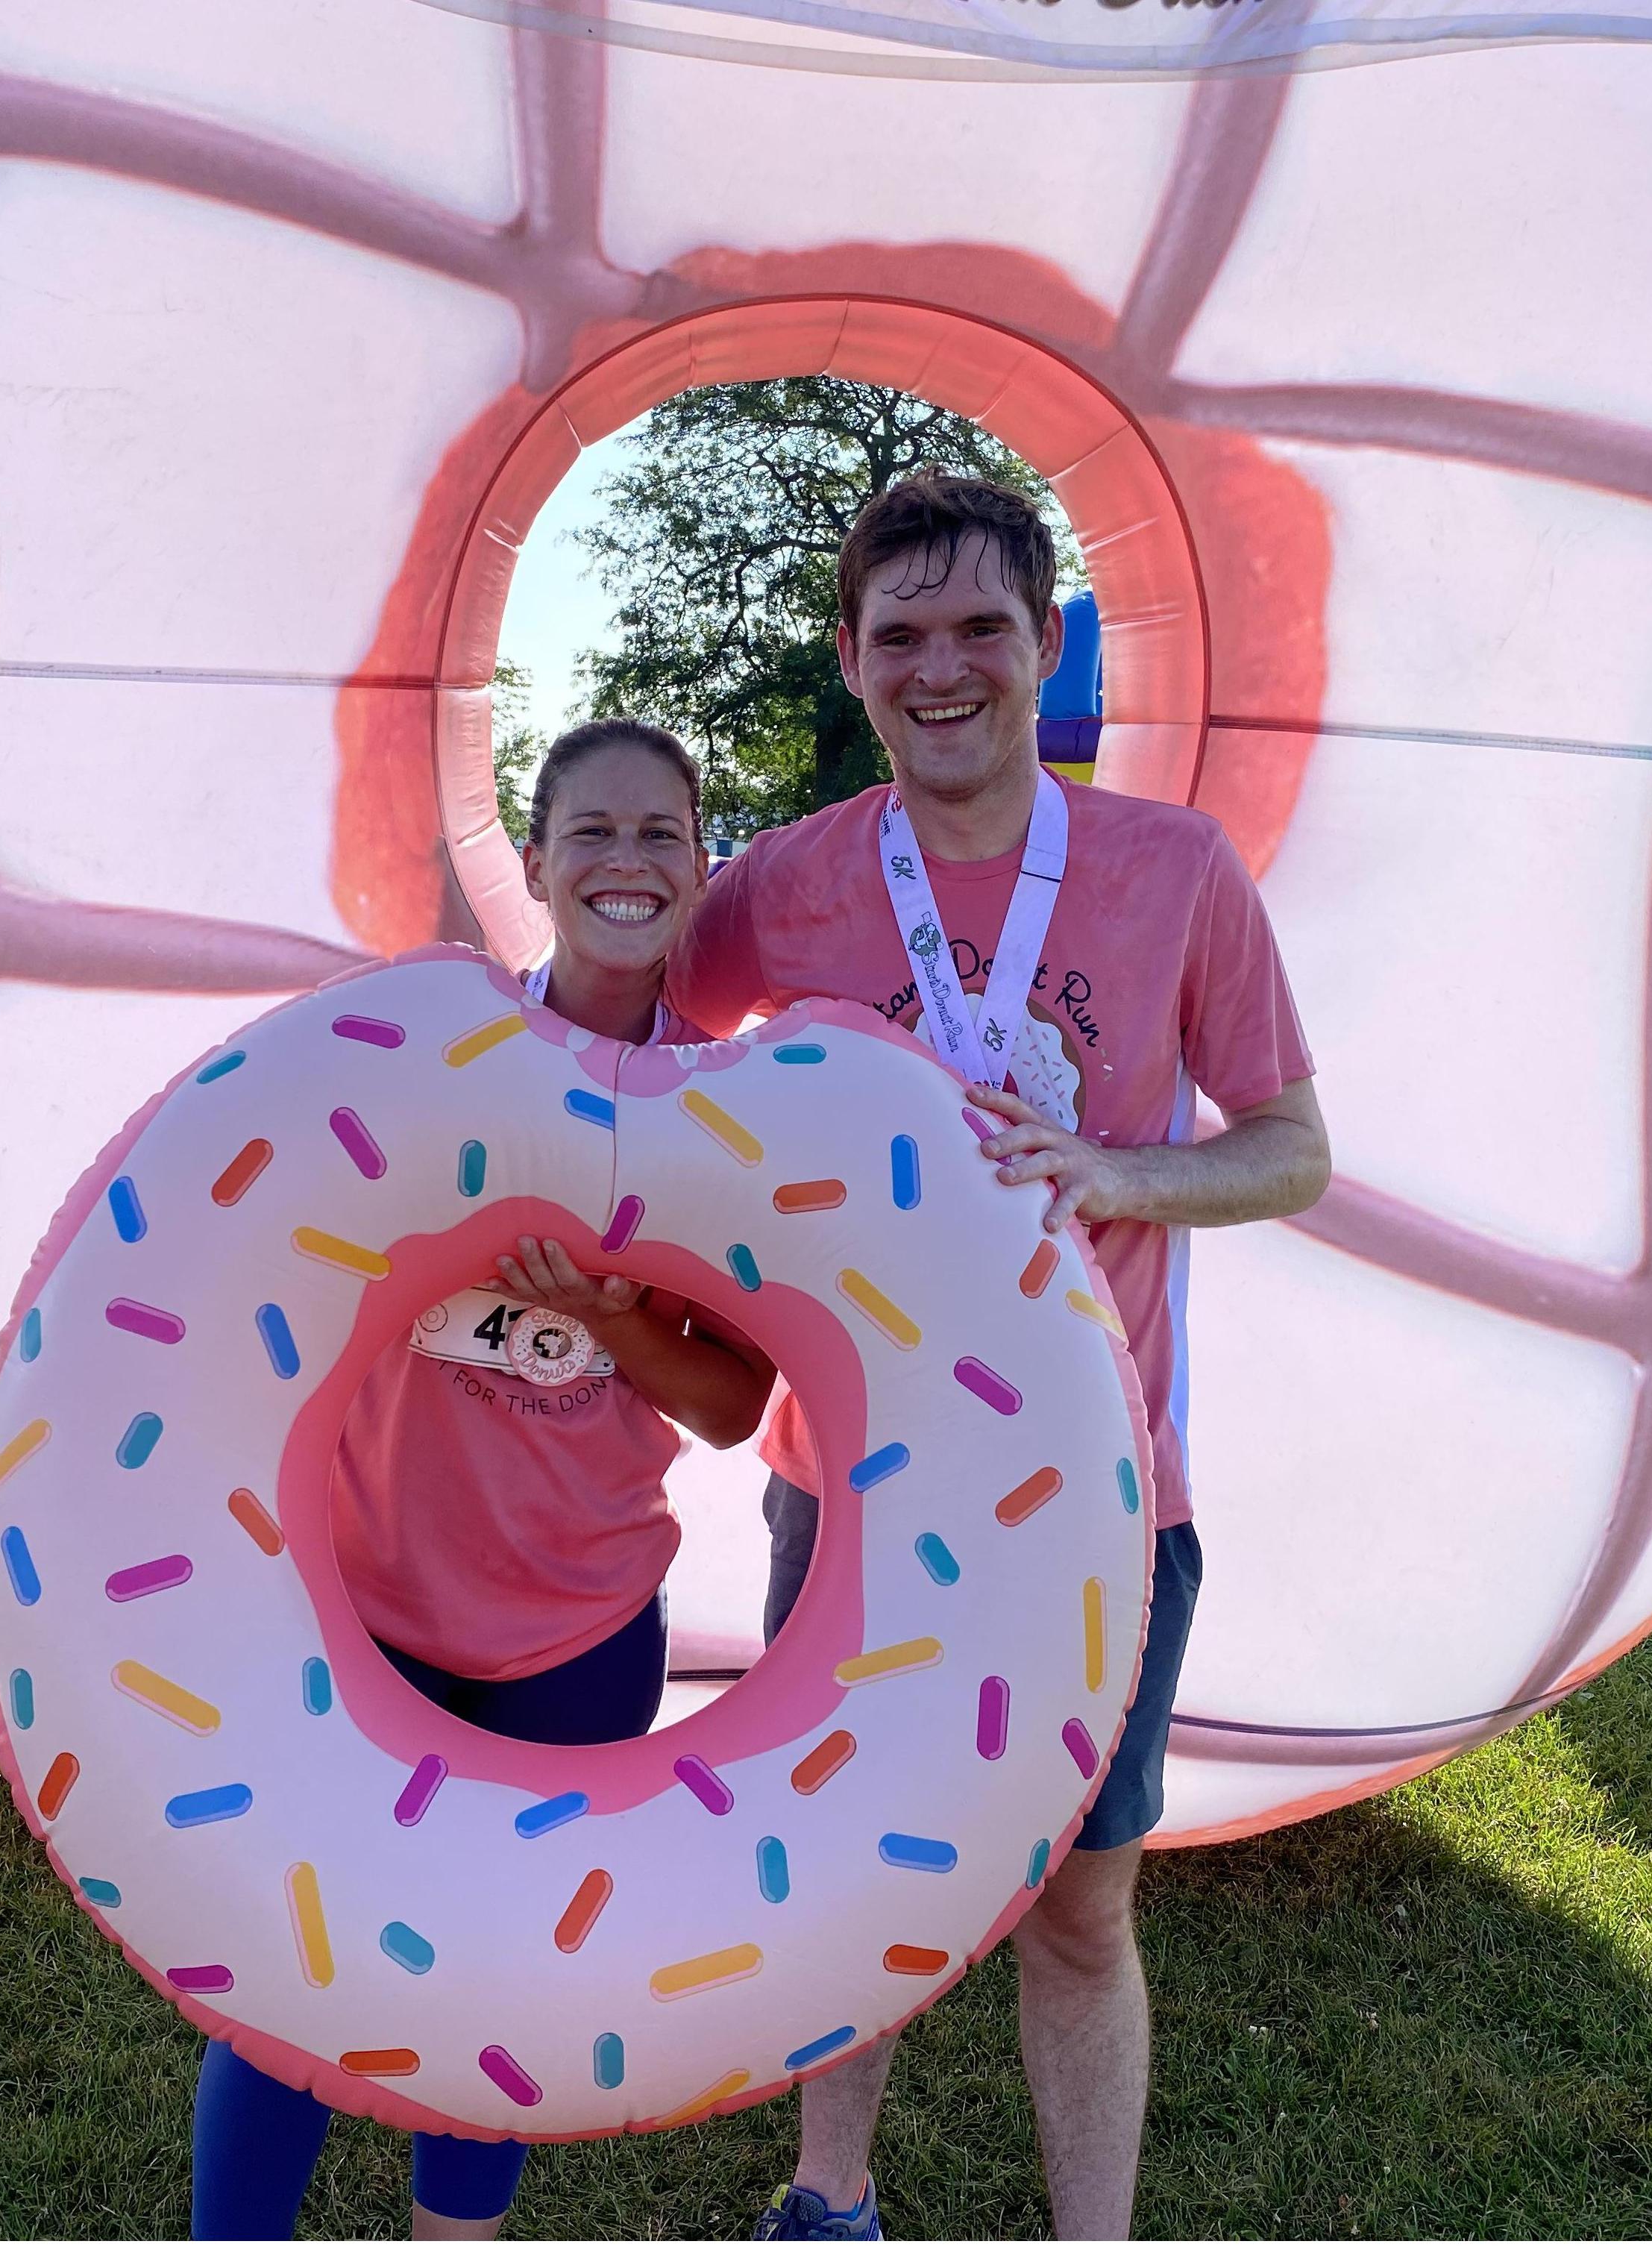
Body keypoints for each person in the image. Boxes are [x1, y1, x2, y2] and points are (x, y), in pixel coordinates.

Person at [669, 472, 1331, 2242]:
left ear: (1045, 643)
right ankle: (826, 2199)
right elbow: (643, 1058)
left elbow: (1289, 1148)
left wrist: (1117, 1172)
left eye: (979, 628)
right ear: (850, 657)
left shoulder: (1172, 871)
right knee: (845, 1862)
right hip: (848, 1485)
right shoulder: (788, 882)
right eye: (901, 635)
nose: (940, 667)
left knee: (1077, 1908)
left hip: (1096, 1500)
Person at [191, 719, 776, 2242]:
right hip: (371, 1613)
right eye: (592, 830)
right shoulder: (428, 1055)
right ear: (534, 858)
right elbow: (274, 1276)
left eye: (660, 833)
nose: (626, 861)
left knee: (494, 1979)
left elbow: (734, 1405)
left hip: (577, 1635)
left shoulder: (724, 1112)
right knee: (294, 1968)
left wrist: (615, 1318)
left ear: (700, 862)